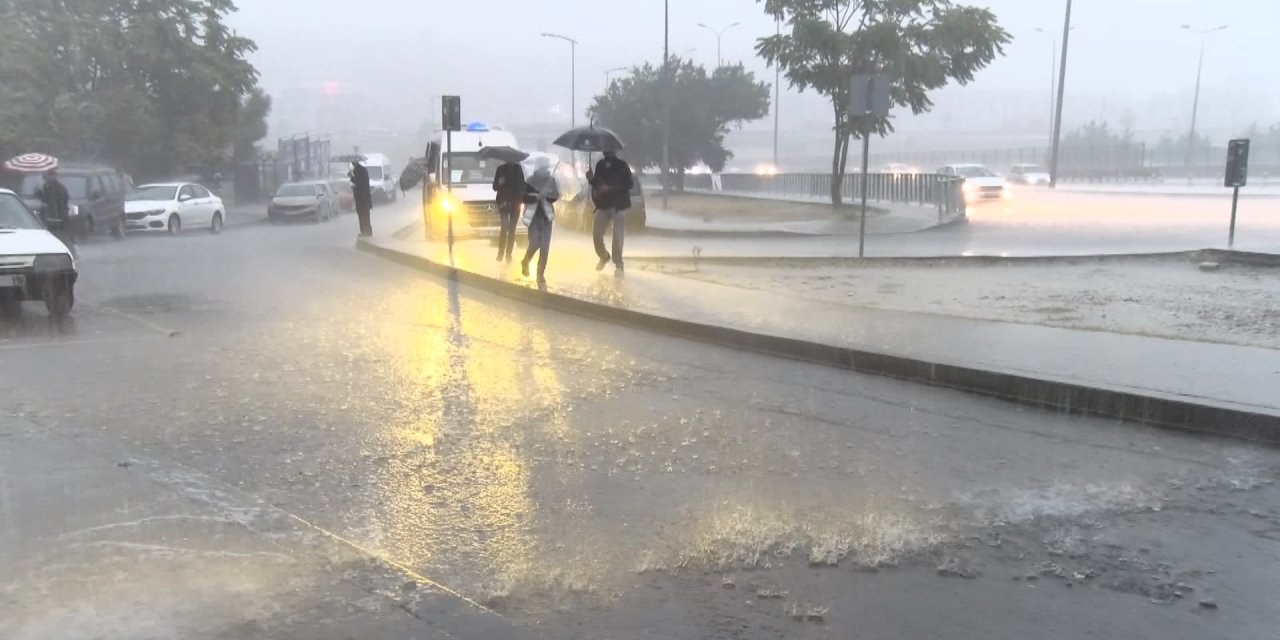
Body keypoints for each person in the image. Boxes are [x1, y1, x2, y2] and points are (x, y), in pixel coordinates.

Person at [586, 150, 633, 276]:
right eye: (605, 149)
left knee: (618, 236)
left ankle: (618, 264)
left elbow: (629, 184)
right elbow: (597, 185)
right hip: (603, 204)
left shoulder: (622, 165)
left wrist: (611, 187)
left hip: (618, 205)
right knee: (596, 234)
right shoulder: (600, 165)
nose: (606, 151)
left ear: (614, 150)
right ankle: (604, 255)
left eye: (609, 149)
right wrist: (591, 179)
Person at [520, 157, 559, 285]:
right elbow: (524, 197)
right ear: (537, 168)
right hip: (533, 216)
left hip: (547, 216)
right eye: (542, 167)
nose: (544, 170)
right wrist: (536, 196)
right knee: (535, 243)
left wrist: (547, 195)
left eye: (546, 167)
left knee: (545, 247)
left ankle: (540, 273)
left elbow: (555, 196)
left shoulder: (551, 180)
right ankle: (526, 261)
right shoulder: (530, 181)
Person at [492, 158, 525, 263]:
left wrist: (514, 182)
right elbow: (495, 187)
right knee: (504, 226)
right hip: (503, 202)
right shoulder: (500, 169)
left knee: (512, 229)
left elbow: (522, 185)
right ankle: (500, 252)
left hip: (515, 203)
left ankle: (508, 254)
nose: (510, 162)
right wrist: (500, 182)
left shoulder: (518, 170)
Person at [35, 168, 74, 252]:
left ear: (53, 176)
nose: (44, 178)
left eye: (46, 176)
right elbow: (45, 199)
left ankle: (71, 254)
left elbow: (59, 202)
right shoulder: (46, 186)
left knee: (62, 238)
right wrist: (39, 194)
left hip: (58, 218)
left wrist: (59, 217)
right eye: (44, 176)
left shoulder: (59, 188)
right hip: (48, 219)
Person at [350, 161, 373, 236]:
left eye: (352, 162)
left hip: (362, 199)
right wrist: (352, 178)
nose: (352, 164)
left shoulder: (359, 171)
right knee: (364, 215)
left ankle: (366, 231)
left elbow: (360, 183)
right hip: (363, 198)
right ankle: (366, 231)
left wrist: (352, 177)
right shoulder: (361, 170)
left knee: (363, 215)